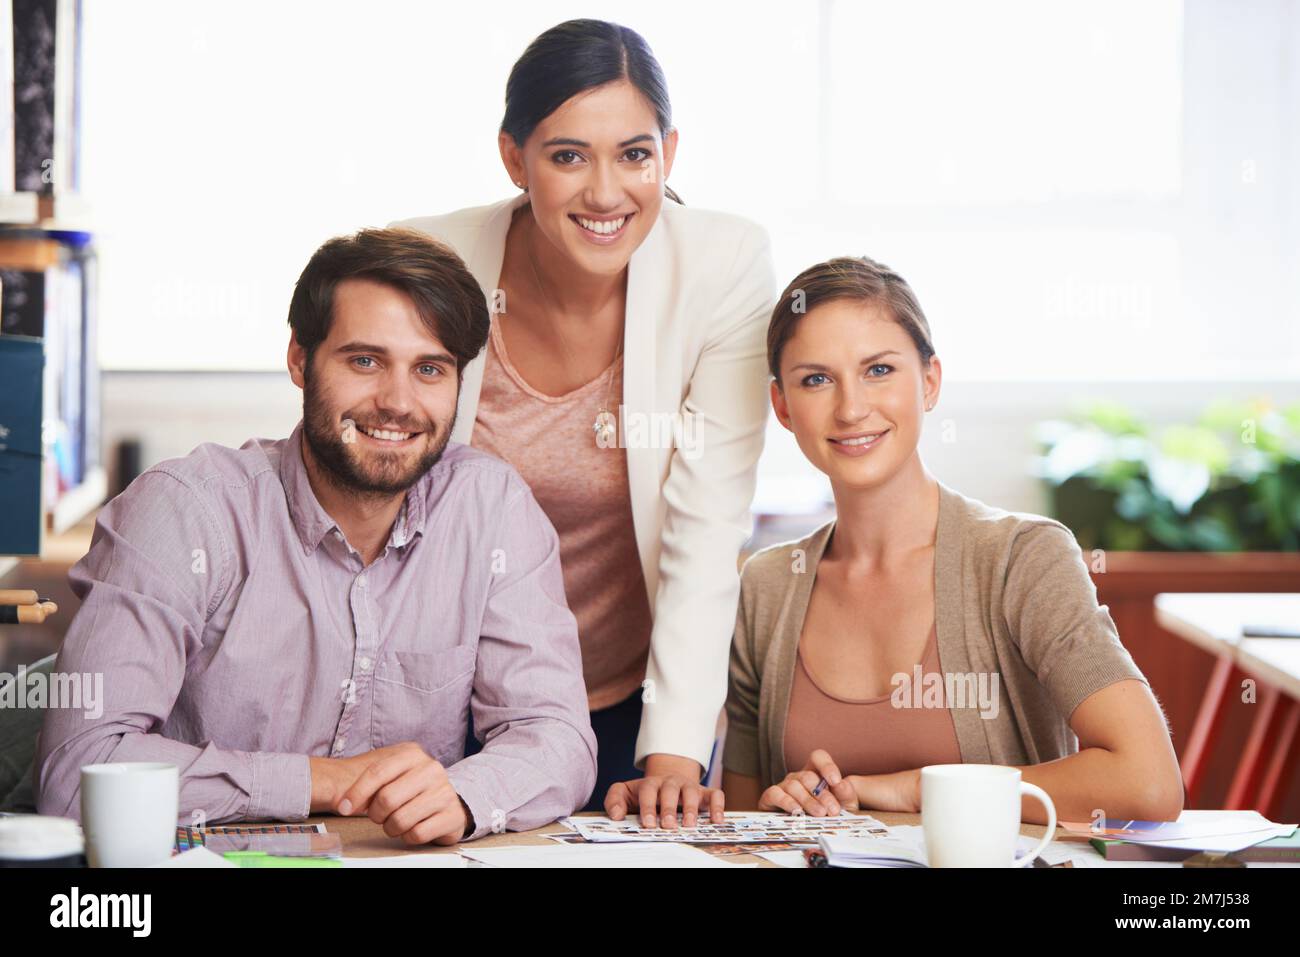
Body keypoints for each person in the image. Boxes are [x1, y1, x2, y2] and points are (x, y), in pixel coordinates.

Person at [35, 228, 597, 844]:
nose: (398, 402)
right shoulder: (185, 511)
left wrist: (465, 795)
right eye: (365, 360)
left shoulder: (490, 509)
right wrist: (325, 781)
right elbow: (76, 777)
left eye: (430, 369)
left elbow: (557, 736)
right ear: (300, 360)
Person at [394, 19, 774, 826]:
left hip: (628, 707)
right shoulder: (429, 260)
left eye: (635, 154)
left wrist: (673, 748)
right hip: (436, 703)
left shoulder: (721, 266)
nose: (606, 193)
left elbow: (707, 524)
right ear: (514, 158)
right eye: (568, 156)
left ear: (668, 153)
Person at [722, 256, 1183, 824]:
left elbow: (1148, 780)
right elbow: (743, 829)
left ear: (930, 382)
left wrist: (923, 789)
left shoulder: (1021, 560)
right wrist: (782, 808)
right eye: (816, 379)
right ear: (783, 407)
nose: (851, 408)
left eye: (879, 370)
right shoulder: (766, 588)